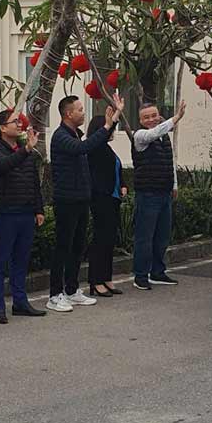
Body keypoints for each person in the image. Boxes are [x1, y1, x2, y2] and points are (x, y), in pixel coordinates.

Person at [46, 93, 122, 312]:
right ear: (68, 114)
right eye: (80, 109)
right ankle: (54, 294)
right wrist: (107, 126)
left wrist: (114, 118)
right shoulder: (61, 136)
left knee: (77, 247)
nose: (83, 113)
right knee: (63, 247)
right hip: (66, 200)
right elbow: (84, 148)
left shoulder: (75, 134)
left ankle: (71, 290)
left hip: (80, 199)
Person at [0, 110, 47, 324]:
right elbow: (3, 165)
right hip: (5, 213)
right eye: (14, 122)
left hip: (26, 212)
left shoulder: (24, 151)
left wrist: (39, 209)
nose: (19, 125)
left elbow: (33, 182)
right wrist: (27, 149)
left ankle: (20, 302)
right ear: (2, 128)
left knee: (21, 261)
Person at [131, 100, 186, 291]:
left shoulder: (164, 137)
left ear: (159, 115)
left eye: (154, 115)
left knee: (162, 237)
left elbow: (170, 162)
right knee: (144, 238)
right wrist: (176, 118)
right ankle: (140, 276)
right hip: (147, 194)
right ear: (140, 120)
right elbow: (153, 133)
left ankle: (157, 272)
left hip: (164, 193)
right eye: (146, 117)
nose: (151, 120)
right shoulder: (139, 136)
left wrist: (175, 185)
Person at [86, 114, 127, 298]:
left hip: (113, 198)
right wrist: (115, 117)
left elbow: (117, 168)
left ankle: (107, 278)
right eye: (108, 128)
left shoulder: (107, 149)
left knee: (110, 240)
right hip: (101, 199)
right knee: (100, 240)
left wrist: (124, 184)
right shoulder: (94, 147)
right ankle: (95, 281)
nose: (111, 132)